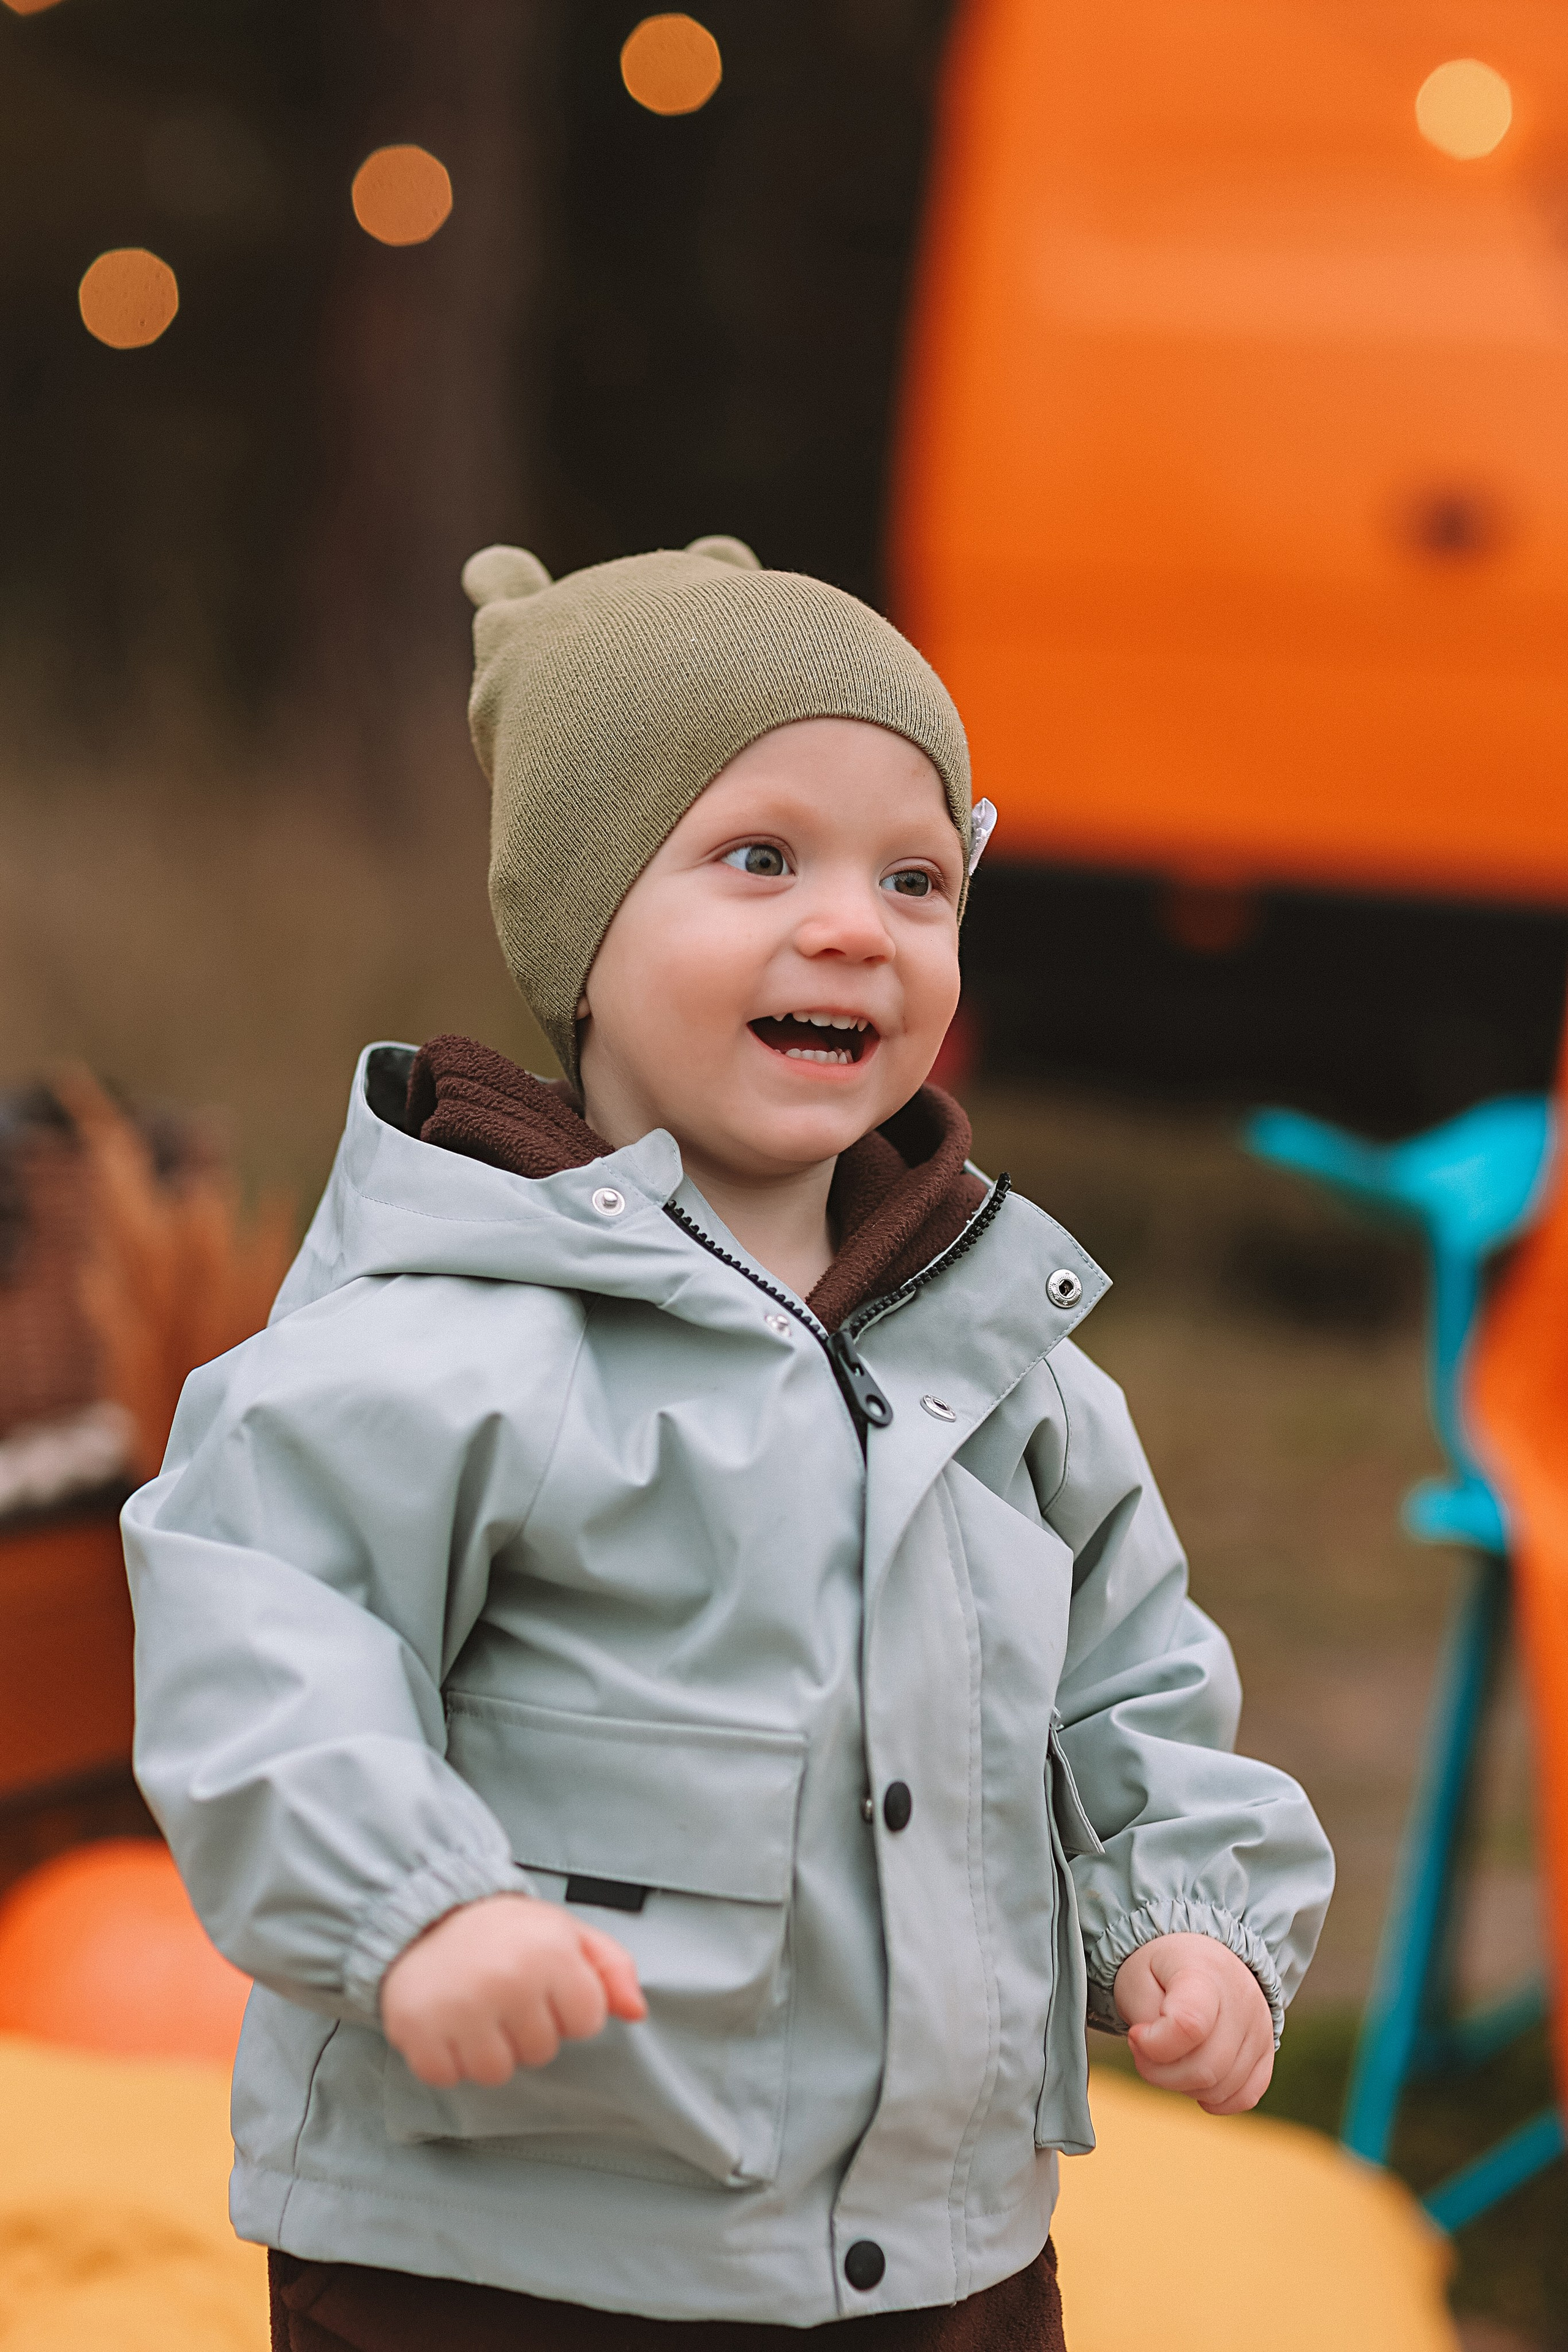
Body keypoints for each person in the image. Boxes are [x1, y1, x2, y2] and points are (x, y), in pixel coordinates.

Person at [124, 536, 1334, 2351]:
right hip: (509, 2251)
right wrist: (415, 1912)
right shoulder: (439, 1344)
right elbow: (270, 1656)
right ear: (585, 934)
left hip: (937, 2252)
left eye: (916, 877)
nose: (853, 921)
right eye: (760, 858)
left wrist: (1186, 1916)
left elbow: (1129, 1680)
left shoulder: (1009, 1365)